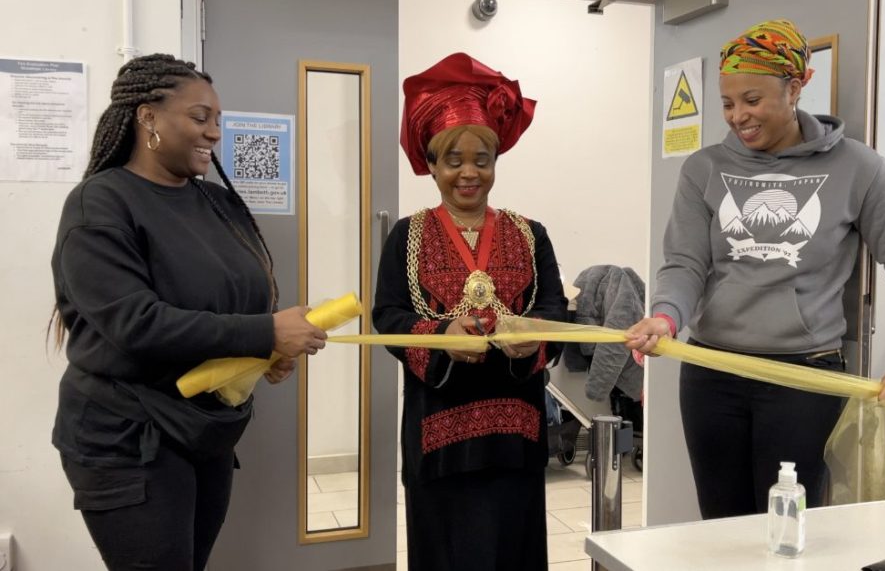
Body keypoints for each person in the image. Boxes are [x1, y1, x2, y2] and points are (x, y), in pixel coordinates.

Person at [625, 19, 885, 519]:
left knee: (787, 529)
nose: (738, 117)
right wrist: (665, 317)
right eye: (728, 104)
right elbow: (685, 263)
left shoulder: (858, 168)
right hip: (713, 372)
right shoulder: (704, 169)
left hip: (803, 376)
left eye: (752, 100)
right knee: (721, 526)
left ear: (794, 89)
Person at [49, 54, 328, 570]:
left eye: (218, 120)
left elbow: (236, 303)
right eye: (200, 118)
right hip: (129, 437)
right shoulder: (100, 204)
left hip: (207, 431)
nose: (214, 133)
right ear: (147, 117)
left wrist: (264, 352)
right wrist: (264, 331)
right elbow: (136, 325)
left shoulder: (218, 202)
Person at [373, 52, 568, 570]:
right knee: (446, 546)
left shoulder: (531, 233)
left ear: (495, 165)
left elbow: (556, 309)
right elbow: (387, 316)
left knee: (514, 542)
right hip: (439, 429)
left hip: (516, 426)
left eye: (481, 160)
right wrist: (440, 334)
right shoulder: (407, 234)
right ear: (431, 166)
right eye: (453, 160)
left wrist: (536, 335)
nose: (468, 173)